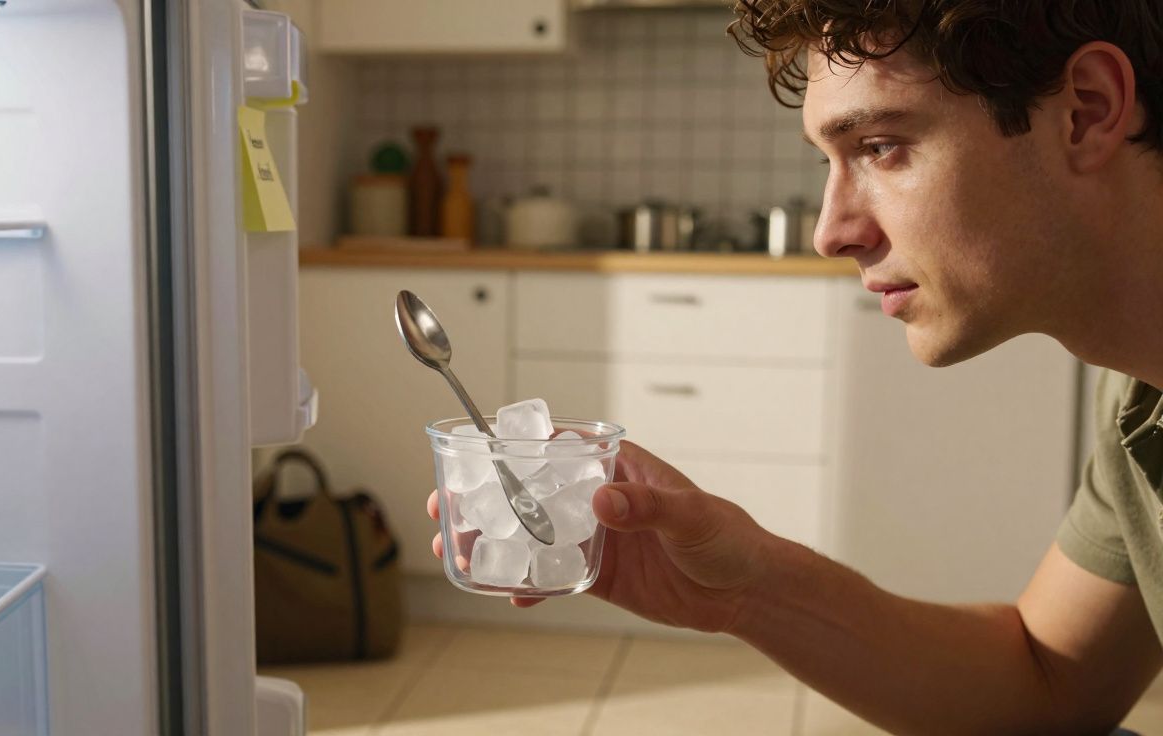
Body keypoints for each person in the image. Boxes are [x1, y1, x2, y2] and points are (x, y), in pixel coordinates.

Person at [429, 1, 1163, 733]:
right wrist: (748, 589)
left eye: (880, 146)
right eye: (831, 160)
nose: (830, 232)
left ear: (1088, 111)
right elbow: (1047, 684)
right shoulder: (1137, 398)